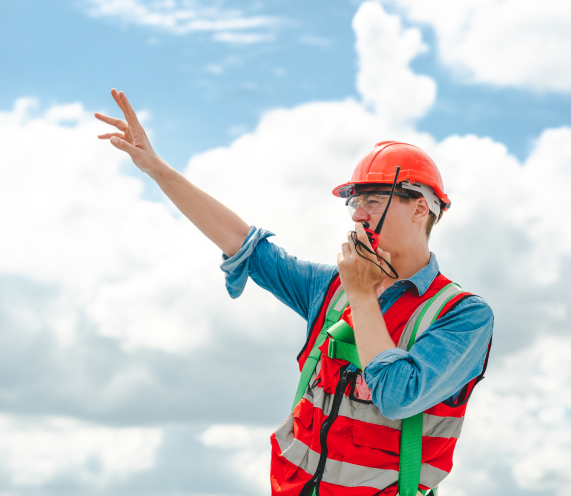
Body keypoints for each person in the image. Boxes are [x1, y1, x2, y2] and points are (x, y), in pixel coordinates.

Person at [95, 89, 494, 496]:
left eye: (373, 200)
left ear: (420, 209)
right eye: (355, 203)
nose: (358, 214)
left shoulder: (462, 316)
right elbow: (243, 243)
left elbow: (395, 395)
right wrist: (155, 167)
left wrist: (361, 293)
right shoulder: (330, 289)